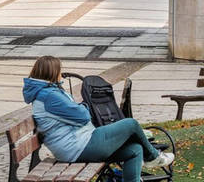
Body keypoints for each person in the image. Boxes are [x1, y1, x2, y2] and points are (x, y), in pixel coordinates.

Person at [22, 55, 172, 182]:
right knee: (130, 124)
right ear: (52, 73)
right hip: (78, 147)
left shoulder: (47, 92)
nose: (61, 73)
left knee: (135, 149)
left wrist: (79, 109)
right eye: (59, 70)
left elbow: (77, 113)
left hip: (79, 142)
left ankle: (151, 158)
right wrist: (83, 108)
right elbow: (83, 116)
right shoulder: (49, 95)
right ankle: (153, 156)